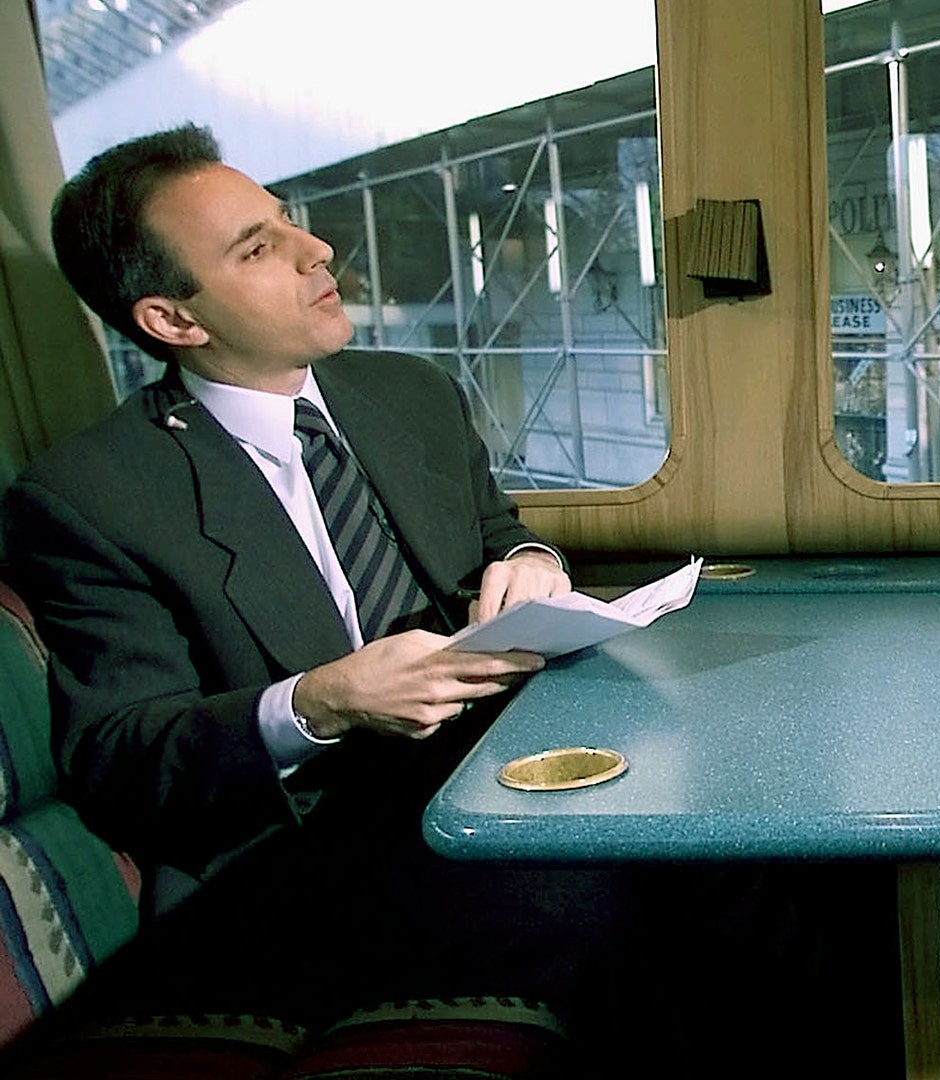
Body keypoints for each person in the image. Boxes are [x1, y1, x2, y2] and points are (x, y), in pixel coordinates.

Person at [0, 124, 659, 1061]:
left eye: (288, 222)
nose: (319, 250)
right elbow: (123, 755)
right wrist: (320, 703)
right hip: (300, 851)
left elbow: (496, 534)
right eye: (257, 248)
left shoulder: (411, 394)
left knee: (736, 863)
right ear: (175, 321)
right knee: (645, 898)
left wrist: (534, 562)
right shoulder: (90, 496)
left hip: (494, 773)